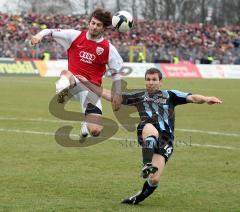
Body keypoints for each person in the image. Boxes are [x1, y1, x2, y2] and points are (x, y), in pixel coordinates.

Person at [77, 67, 222, 205]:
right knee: (150, 128)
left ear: (160, 81)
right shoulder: (140, 96)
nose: (151, 82)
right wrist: (87, 83)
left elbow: (193, 98)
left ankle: (137, 198)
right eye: (148, 79)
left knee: (154, 179)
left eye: (154, 79)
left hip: (166, 140)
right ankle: (146, 164)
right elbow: (113, 96)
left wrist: (206, 98)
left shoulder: (170, 95)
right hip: (147, 129)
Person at [30, 8, 123, 138]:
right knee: (66, 74)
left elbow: (117, 74)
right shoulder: (74, 36)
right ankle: (63, 92)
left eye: (98, 25)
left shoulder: (108, 49)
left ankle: (85, 119)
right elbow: (49, 31)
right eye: (93, 23)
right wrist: (39, 36)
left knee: (95, 131)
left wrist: (117, 93)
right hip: (72, 85)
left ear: (104, 28)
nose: (94, 27)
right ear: (89, 22)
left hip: (92, 91)